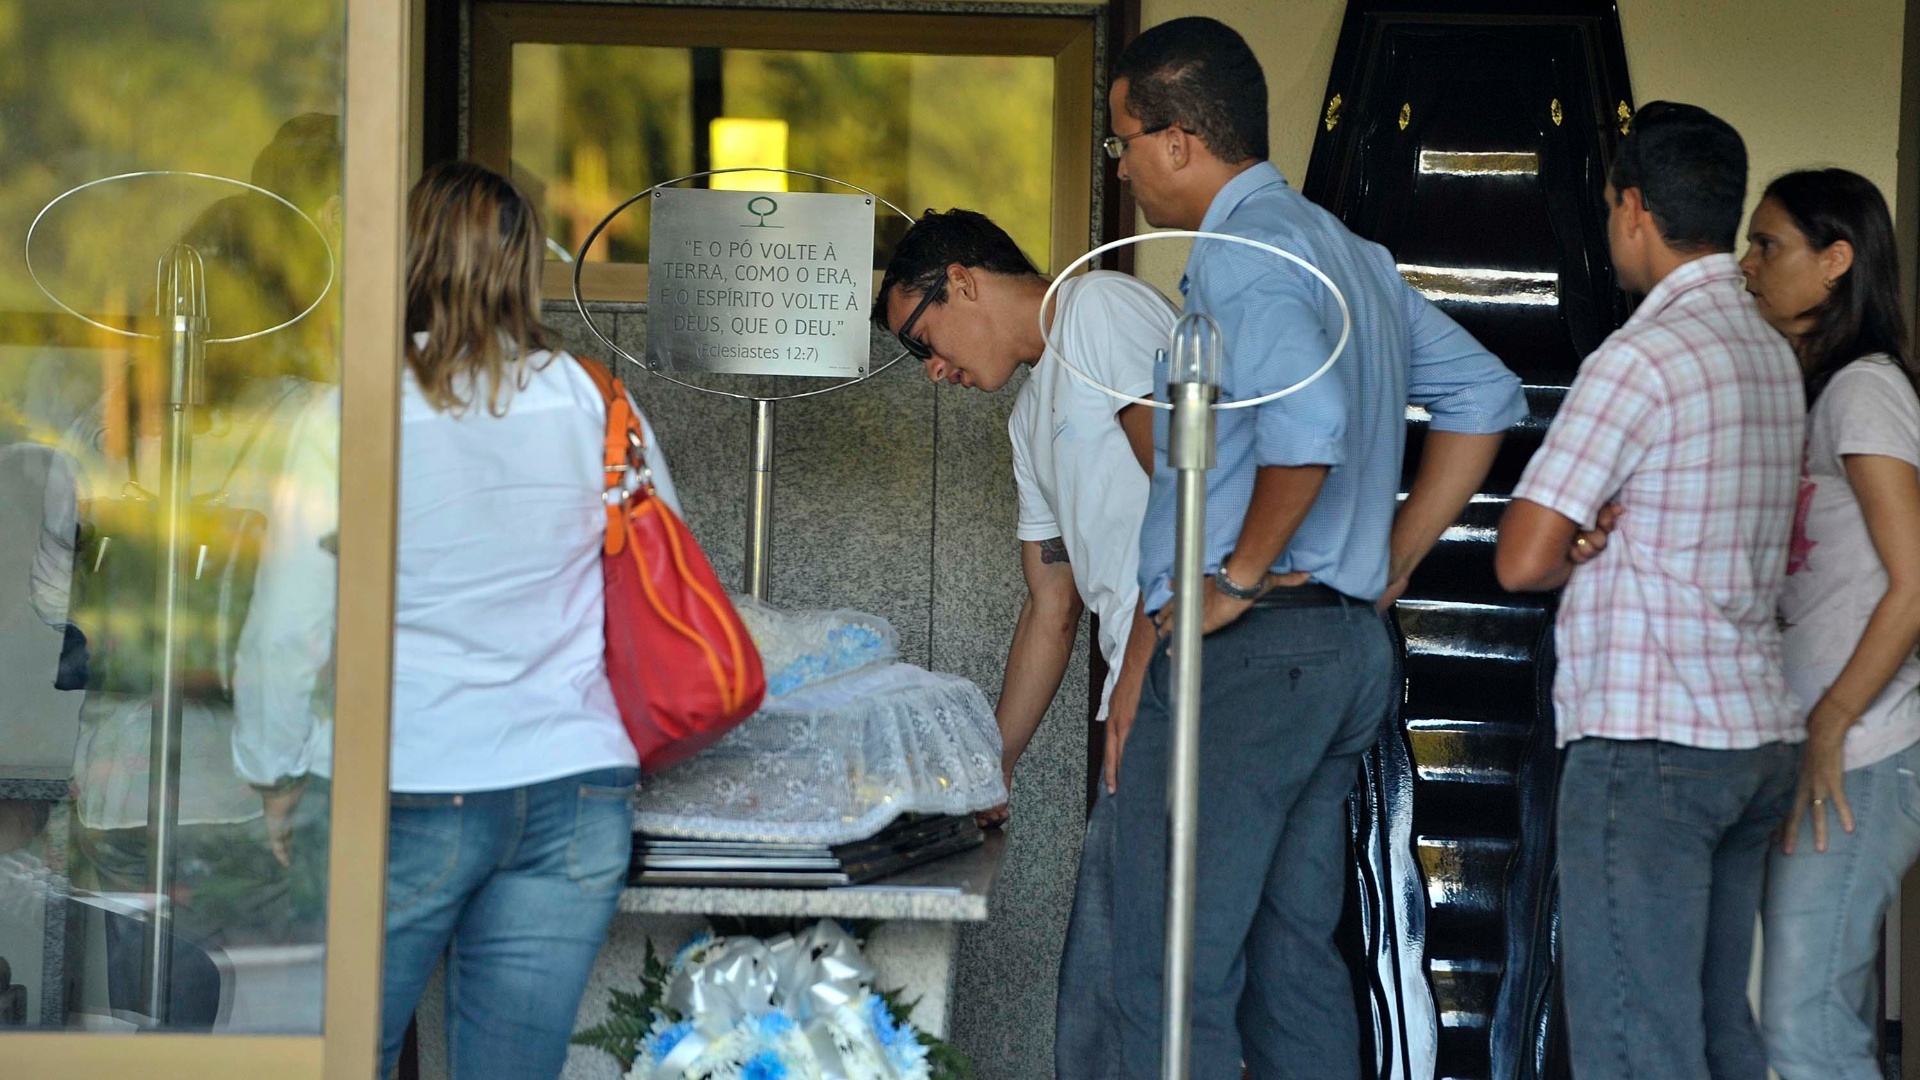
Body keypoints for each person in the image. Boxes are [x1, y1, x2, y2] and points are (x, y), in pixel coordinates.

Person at [1102, 18, 1526, 1078]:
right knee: (1291, 959)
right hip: (1339, 651)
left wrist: (1239, 577)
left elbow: (1310, 429)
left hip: (1254, 655)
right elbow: (1484, 394)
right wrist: (1394, 557)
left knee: (1172, 961)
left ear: (1177, 141)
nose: (1122, 168)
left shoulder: (1246, 258)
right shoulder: (1347, 252)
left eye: (1123, 143)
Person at [230, 160, 681, 1078]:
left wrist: (273, 771)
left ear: (403, 260)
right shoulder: (595, 399)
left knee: (337, 1058)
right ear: (525, 267)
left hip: (402, 780)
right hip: (572, 787)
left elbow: (288, 625)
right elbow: (661, 570)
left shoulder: (351, 410)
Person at [1495, 103, 1805, 1080]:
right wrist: (1596, 538)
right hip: (1751, 735)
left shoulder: (1641, 357)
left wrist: (1574, 547)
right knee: (1717, 1031)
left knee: (1636, 1045)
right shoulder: (1771, 354)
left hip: (1651, 744)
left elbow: (1521, 558)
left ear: (1633, 207)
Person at [871, 207, 1175, 1079]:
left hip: (1192, 672)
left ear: (963, 281)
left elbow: (1196, 493)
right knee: (1104, 990)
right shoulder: (1028, 417)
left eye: (922, 341)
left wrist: (1143, 666)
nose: (933, 371)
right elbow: (1051, 605)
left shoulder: (1099, 311)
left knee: (1157, 979)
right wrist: (993, 765)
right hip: (1142, 687)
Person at [1735, 170, 1920, 1080]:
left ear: (1836, 260)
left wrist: (1832, 722)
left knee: (1804, 1026)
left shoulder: (1864, 392)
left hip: (1862, 749)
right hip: (1817, 747)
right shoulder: (1809, 392)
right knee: (1809, 1020)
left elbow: (1916, 583)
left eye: (1768, 244)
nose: (1747, 263)